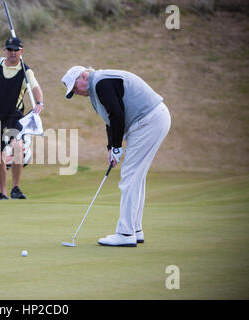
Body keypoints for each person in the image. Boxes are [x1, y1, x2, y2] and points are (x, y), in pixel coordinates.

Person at [61, 66, 171, 246]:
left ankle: (126, 234)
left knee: (129, 176)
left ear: (83, 76)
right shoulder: (97, 88)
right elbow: (111, 119)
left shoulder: (100, 83)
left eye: (75, 87)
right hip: (153, 119)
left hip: (149, 120)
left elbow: (118, 115)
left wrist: (117, 147)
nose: (75, 92)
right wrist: (111, 148)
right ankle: (135, 229)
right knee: (136, 177)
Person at [0, 37, 44, 200]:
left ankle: (16, 188)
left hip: (13, 115)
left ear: (21, 51)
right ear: (5, 50)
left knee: (18, 146)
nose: (13, 53)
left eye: (16, 50)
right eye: (10, 49)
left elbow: (35, 88)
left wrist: (39, 102)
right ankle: (3, 193)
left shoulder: (26, 71)